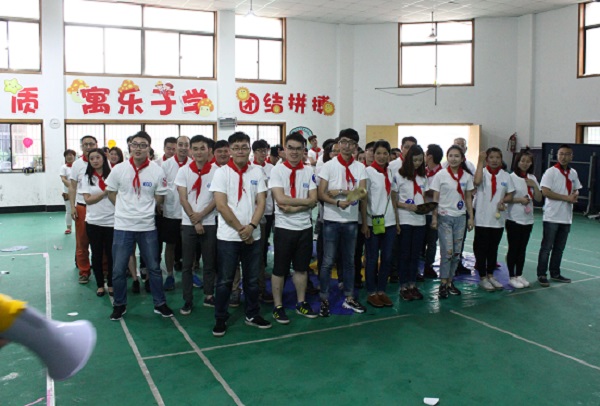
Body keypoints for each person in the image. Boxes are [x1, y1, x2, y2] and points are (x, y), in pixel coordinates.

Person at [105, 131, 173, 320]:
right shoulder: (119, 169)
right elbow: (111, 192)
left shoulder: (157, 171)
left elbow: (160, 197)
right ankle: (119, 305)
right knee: (118, 269)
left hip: (147, 226)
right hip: (123, 226)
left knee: (154, 268)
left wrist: (145, 209)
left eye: (143, 145)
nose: (138, 148)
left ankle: (160, 303)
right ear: (130, 147)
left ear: (149, 148)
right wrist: (124, 209)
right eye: (135, 144)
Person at [210, 131, 271, 337]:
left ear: (249, 149)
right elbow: (221, 205)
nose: (240, 151)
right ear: (230, 150)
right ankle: (220, 317)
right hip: (228, 237)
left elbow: (261, 202)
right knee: (225, 280)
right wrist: (241, 229)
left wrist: (251, 226)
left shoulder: (257, 172)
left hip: (253, 235)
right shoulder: (221, 173)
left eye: (244, 147)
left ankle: (252, 314)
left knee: (252, 279)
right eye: (236, 148)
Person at [317, 128, 368, 316]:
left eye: (351, 143)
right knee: (327, 261)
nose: (347, 146)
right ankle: (324, 298)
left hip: (351, 221)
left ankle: (349, 297)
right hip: (331, 220)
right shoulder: (328, 166)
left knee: (349, 261)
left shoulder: (360, 167)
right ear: (338, 143)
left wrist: (341, 192)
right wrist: (338, 202)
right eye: (344, 142)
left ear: (356, 147)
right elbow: (322, 193)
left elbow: (362, 192)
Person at [269, 131, 319, 323]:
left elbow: (314, 199)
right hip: (283, 228)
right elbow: (280, 199)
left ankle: (301, 302)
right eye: (290, 148)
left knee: (301, 269)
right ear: (284, 149)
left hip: (304, 227)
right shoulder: (277, 171)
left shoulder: (308, 171)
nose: (294, 152)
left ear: (304, 150)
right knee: (279, 269)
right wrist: (305, 203)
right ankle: (278, 306)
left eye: (299, 149)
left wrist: (293, 207)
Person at [176, 135, 218, 314]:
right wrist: (195, 220)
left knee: (209, 262)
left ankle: (209, 295)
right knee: (187, 264)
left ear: (209, 150)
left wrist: (201, 216)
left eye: (203, 148)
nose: (199, 152)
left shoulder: (217, 171)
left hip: (209, 222)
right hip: (188, 223)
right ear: (190, 151)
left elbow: (217, 198)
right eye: (195, 148)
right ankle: (187, 299)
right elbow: (183, 198)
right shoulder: (184, 171)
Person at [430, 145, 474, 299]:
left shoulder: (466, 177)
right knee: (447, 252)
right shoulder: (440, 175)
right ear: (447, 157)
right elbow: (435, 198)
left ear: (462, 159)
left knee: (456, 253)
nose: (453, 159)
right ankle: (443, 283)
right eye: (451, 156)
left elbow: (468, 198)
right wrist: (434, 217)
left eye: (457, 156)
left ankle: (450, 282)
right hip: (444, 217)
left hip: (460, 218)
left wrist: (471, 217)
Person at [536, 144, 581, 286]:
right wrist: (566, 198)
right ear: (557, 155)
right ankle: (542, 274)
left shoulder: (573, 173)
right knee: (546, 247)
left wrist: (575, 195)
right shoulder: (551, 172)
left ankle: (555, 272)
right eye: (561, 154)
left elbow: (577, 188)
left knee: (559, 248)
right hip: (552, 216)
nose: (563, 157)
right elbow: (545, 191)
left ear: (571, 156)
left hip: (566, 217)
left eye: (567, 154)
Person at [362, 140, 399, 307]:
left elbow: (393, 196)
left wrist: (397, 221)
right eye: (378, 153)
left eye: (385, 153)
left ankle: (381, 290)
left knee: (387, 257)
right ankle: (371, 292)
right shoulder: (367, 172)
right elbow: (364, 199)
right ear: (373, 154)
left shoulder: (390, 172)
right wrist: (365, 223)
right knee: (371, 258)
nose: (382, 156)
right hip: (373, 222)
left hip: (389, 222)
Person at [473, 148, 515, 291]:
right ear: (487, 159)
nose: (494, 160)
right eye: (491, 157)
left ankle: (491, 275)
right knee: (482, 248)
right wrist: (480, 162)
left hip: (497, 219)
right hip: (482, 218)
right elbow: (477, 182)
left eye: (497, 157)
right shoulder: (482, 172)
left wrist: (503, 200)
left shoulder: (506, 176)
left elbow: (510, 194)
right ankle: (482, 277)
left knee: (493, 248)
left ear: (501, 159)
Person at [395, 145, 429, 301]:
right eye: (415, 160)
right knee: (404, 254)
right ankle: (403, 286)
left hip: (420, 220)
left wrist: (426, 207)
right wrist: (407, 206)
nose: (417, 163)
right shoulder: (399, 175)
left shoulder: (423, 177)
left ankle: (412, 284)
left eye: (420, 160)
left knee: (415, 255)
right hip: (405, 219)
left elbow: (424, 197)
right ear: (409, 159)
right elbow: (394, 200)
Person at [505, 149, 542, 288]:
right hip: (514, 219)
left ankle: (519, 274)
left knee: (522, 249)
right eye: (523, 161)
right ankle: (511, 276)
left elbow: (538, 198)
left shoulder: (532, 178)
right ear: (518, 162)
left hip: (528, 219)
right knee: (513, 248)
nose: (525, 163)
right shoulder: (511, 177)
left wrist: (534, 186)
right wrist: (519, 200)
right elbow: (506, 198)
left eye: (528, 161)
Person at [80, 148, 114, 297]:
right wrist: (105, 192)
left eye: (97, 157)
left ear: (104, 159)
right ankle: (100, 284)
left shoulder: (112, 175)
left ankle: (111, 283)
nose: (95, 161)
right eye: (91, 158)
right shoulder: (86, 178)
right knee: (97, 254)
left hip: (112, 221)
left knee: (112, 255)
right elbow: (88, 200)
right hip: (94, 222)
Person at [160, 136, 191, 291]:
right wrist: (160, 204)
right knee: (170, 245)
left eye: (186, 145)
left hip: (189, 212)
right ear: (176, 146)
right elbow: (161, 187)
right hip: (171, 212)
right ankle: (170, 275)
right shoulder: (166, 165)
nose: (183, 148)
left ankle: (190, 274)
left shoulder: (193, 164)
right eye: (180, 144)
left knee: (189, 246)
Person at [445, 137, 477, 275]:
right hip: (446, 211)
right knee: (447, 241)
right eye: (456, 145)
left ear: (465, 149)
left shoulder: (469, 167)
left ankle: (457, 264)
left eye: (461, 146)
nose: (454, 158)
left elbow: (471, 190)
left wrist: (471, 216)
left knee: (460, 239)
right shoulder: (444, 168)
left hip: (462, 210)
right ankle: (447, 268)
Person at [69, 135, 98, 284]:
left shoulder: (102, 162)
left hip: (100, 207)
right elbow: (72, 186)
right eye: (85, 144)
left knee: (101, 241)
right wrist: (72, 207)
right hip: (82, 207)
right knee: (82, 242)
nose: (88, 147)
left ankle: (104, 270)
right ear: (81, 147)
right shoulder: (77, 164)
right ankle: (84, 271)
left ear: (96, 145)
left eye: (91, 144)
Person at [251, 140, 275, 303]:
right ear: (253, 152)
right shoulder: (250, 168)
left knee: (263, 245)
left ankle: (260, 278)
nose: (262, 153)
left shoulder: (272, 168)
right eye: (259, 150)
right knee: (253, 251)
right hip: (252, 215)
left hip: (268, 212)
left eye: (265, 150)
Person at [422, 144, 444, 279]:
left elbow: (441, 192)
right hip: (421, 212)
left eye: (425, 154)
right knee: (419, 241)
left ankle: (428, 267)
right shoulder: (422, 172)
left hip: (435, 213)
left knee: (432, 242)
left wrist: (428, 191)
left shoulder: (443, 174)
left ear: (429, 156)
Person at [60, 149, 76, 235]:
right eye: (67, 155)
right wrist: (71, 186)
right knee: (69, 210)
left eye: (71, 155)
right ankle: (69, 228)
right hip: (67, 192)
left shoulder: (77, 166)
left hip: (78, 192)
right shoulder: (64, 167)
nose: (69, 157)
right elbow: (63, 179)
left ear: (74, 156)